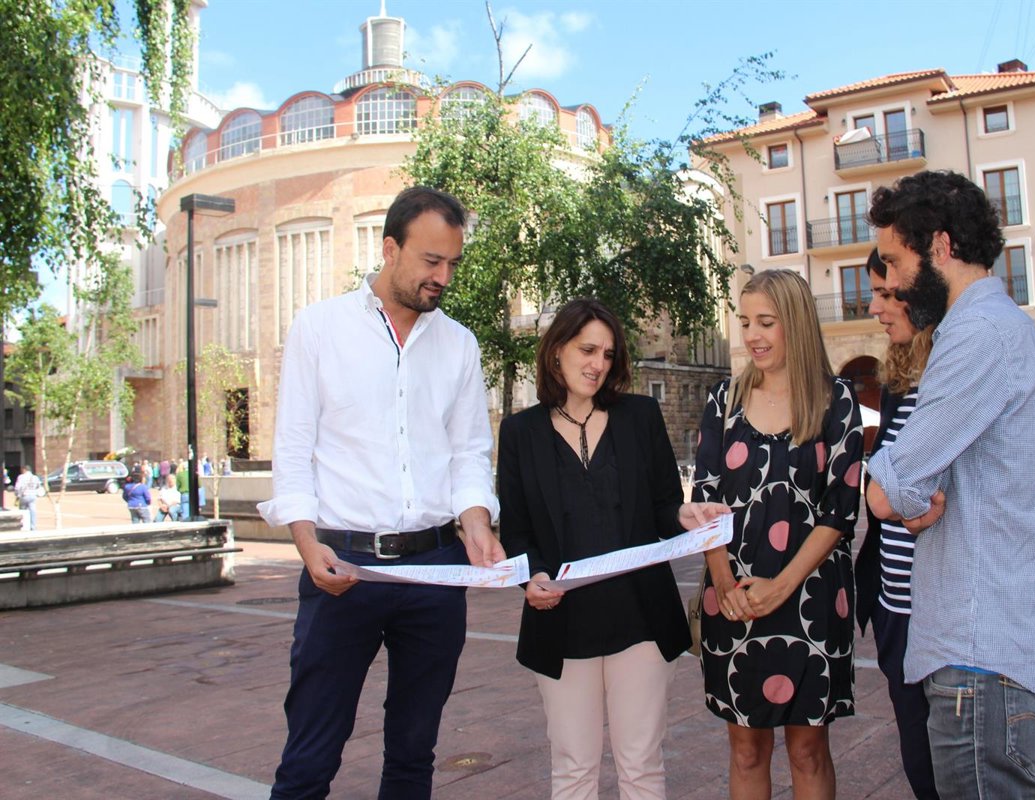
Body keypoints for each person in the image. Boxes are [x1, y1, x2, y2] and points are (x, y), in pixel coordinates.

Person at [257, 185, 505, 800]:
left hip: (436, 570)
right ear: (390, 248)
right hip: (342, 566)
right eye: (431, 260)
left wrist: (477, 522)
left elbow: (469, 453)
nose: (443, 277)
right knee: (309, 757)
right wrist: (306, 544)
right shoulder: (319, 328)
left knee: (414, 755)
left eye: (452, 263)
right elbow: (293, 450)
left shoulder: (460, 344)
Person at [865, 170, 1035, 799]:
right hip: (991, 655)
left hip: (985, 659)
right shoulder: (990, 326)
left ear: (939, 246)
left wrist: (897, 491)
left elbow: (891, 491)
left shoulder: (977, 334)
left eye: (895, 262)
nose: (891, 284)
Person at [498, 298, 729, 800]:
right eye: (587, 350)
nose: (598, 364)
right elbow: (515, 533)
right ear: (556, 351)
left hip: (641, 618)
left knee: (641, 765)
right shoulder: (519, 432)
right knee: (573, 769)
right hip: (562, 621)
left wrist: (686, 515)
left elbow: (665, 505)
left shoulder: (640, 416)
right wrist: (532, 578)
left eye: (607, 354)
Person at [692, 269, 863, 800]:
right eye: (745, 322)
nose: (752, 336)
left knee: (808, 750)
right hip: (734, 598)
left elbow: (840, 512)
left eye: (766, 322)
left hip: (810, 597)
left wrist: (782, 587)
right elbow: (705, 500)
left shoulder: (837, 400)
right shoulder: (723, 400)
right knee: (745, 750)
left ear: (796, 322)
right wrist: (725, 584)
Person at [854, 249, 938, 800]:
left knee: (955, 768)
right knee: (920, 760)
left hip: (940, 613)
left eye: (886, 294)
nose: (874, 307)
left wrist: (887, 492)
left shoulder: (954, 379)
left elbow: (888, 496)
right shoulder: (898, 384)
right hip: (896, 608)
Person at [15, 465, 42, 532]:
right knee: (32, 511)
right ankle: (33, 527)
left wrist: (17, 495)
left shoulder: (21, 477)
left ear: (24, 469)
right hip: (32, 496)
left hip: (24, 495)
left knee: (23, 511)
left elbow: (17, 487)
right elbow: (38, 486)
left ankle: (23, 526)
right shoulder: (35, 477)